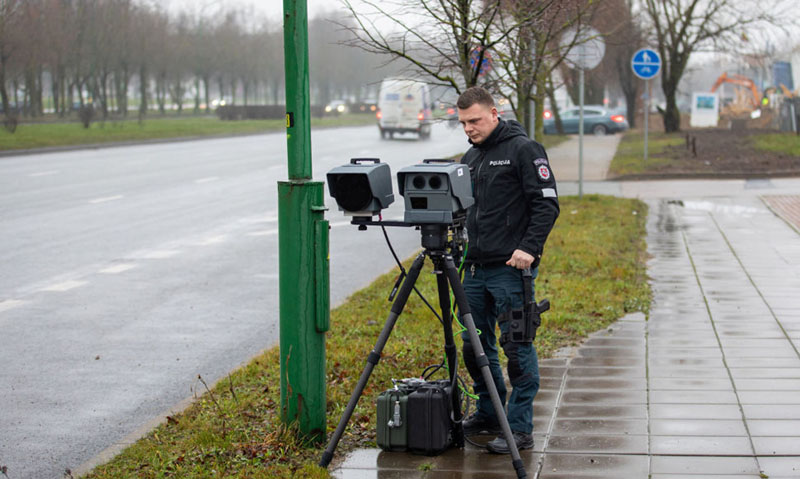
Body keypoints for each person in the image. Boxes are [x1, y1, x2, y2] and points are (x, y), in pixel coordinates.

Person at [456, 86, 559, 454]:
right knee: (474, 346)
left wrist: (529, 248)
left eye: (475, 120)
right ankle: (489, 412)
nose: (469, 128)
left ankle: (519, 428)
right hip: (474, 270)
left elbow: (547, 205)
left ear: (495, 113)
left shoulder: (523, 150)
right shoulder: (470, 158)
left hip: (510, 270)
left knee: (517, 347)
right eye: (464, 123)